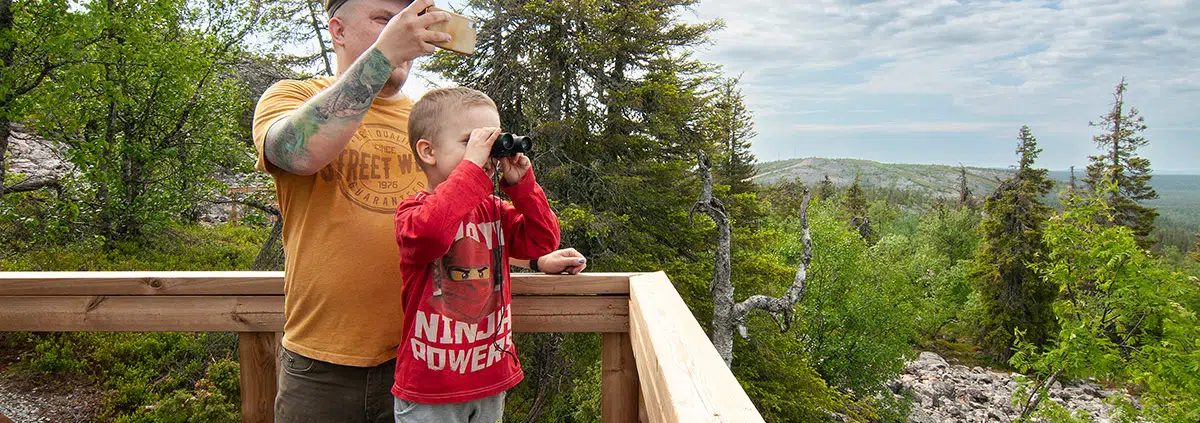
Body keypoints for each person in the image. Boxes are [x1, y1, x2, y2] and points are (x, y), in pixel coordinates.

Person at [250, 0, 585, 421]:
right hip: (326, 364)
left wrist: (532, 258)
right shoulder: (296, 97)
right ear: (338, 30)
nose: (404, 28)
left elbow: (461, 223)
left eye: (409, 18)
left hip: (434, 365)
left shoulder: (431, 121)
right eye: (385, 19)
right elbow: (296, 154)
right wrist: (385, 53)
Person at [391, 86, 557, 422]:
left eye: (492, 140)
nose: (486, 152)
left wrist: (522, 186)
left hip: (490, 381)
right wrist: (471, 170)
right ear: (428, 151)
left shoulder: (494, 210)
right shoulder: (412, 213)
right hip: (430, 389)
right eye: (472, 141)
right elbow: (433, 233)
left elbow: (542, 241)